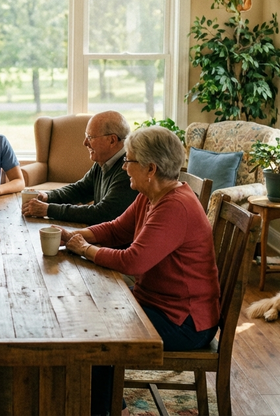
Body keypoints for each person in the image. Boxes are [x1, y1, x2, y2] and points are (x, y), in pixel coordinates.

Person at [57, 126, 220, 416]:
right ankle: (103, 398)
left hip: (184, 322)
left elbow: (134, 261)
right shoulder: (150, 194)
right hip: (156, 302)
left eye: (129, 160)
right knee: (90, 313)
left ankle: (101, 407)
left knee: (99, 332)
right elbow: (116, 228)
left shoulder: (175, 207)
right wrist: (70, 235)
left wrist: (85, 249)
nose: (124, 166)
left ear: (150, 168)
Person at [21, 110, 138, 224]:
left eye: (90, 137)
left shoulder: (129, 169)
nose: (85, 143)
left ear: (112, 140)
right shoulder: (104, 161)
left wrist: (48, 209)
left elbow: (103, 214)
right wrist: (47, 196)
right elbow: (80, 190)